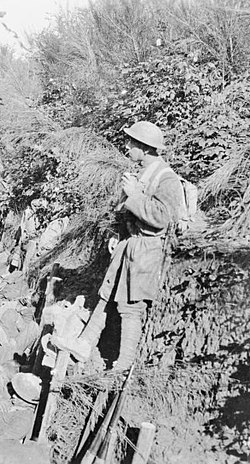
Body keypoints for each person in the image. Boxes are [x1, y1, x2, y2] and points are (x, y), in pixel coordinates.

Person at [53, 121, 184, 372]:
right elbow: (127, 211)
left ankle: (123, 364)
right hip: (128, 243)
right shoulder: (142, 174)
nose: (127, 147)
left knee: (131, 307)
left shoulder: (167, 179)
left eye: (132, 143)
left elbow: (160, 217)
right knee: (106, 295)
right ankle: (84, 344)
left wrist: (134, 194)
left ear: (145, 148)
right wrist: (117, 232)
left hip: (146, 250)